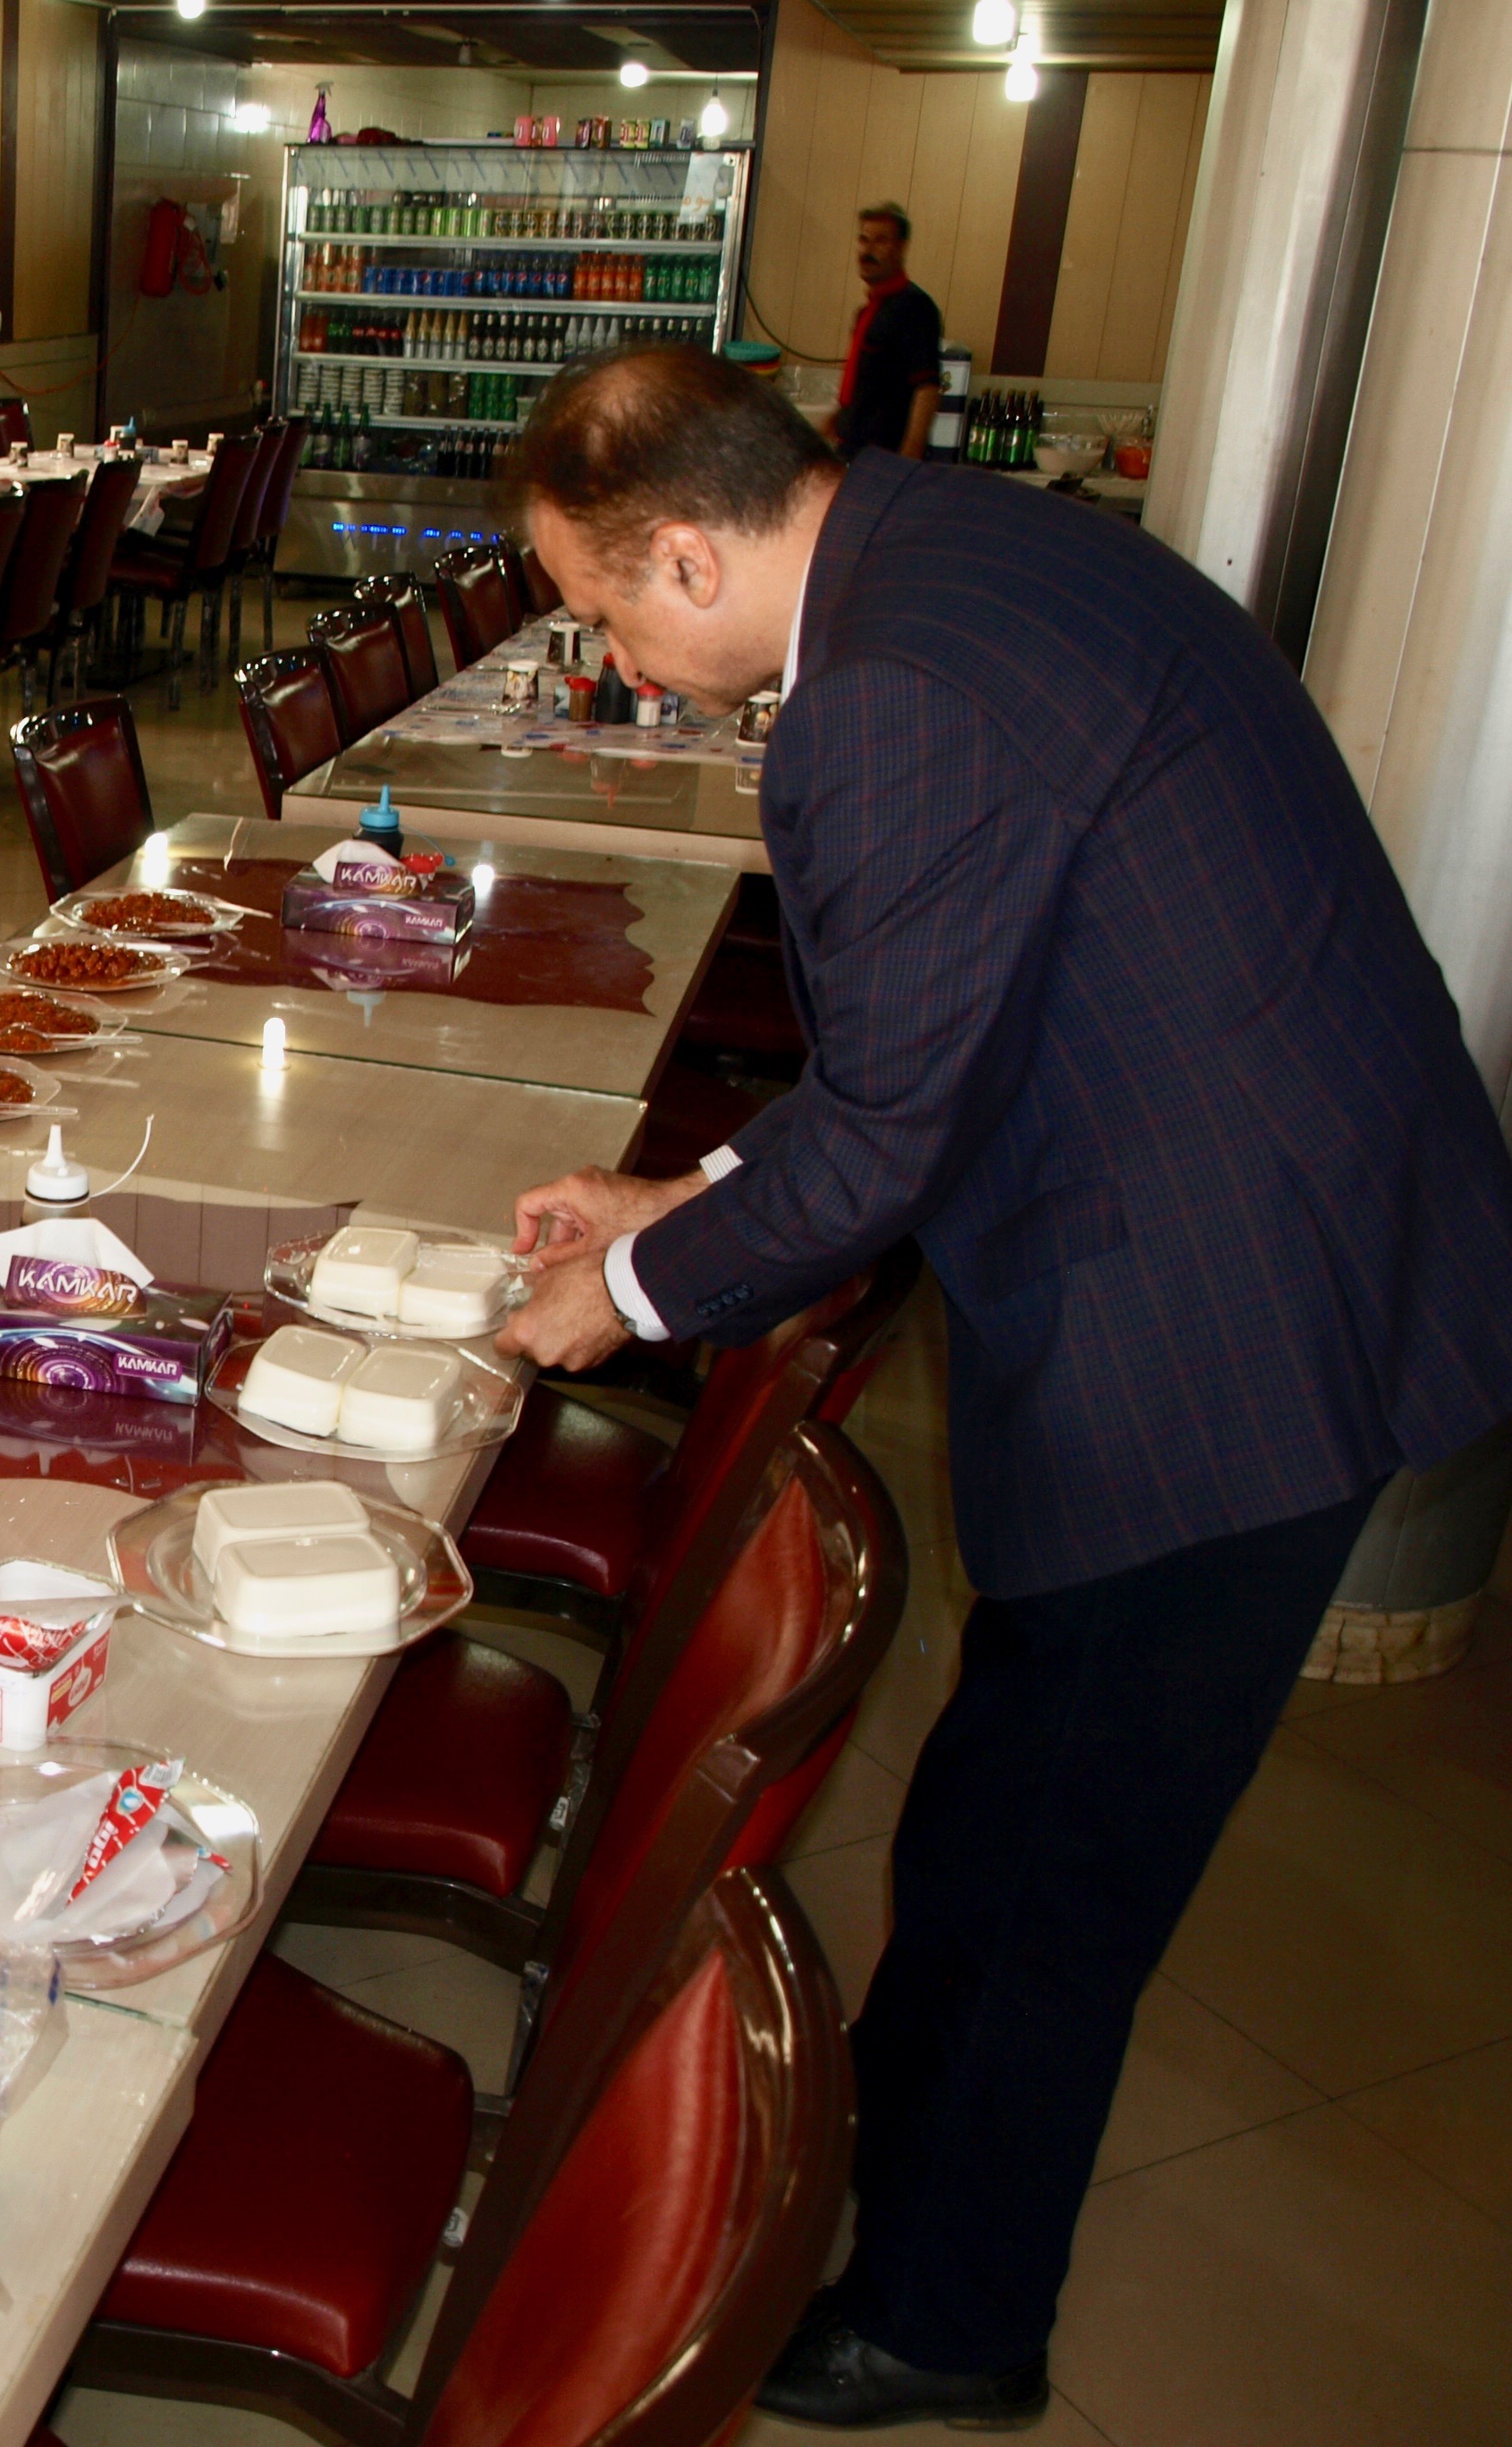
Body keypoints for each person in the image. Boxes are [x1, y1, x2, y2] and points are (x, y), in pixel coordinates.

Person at [489, 346, 1512, 2428]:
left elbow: (884, 1142)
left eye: (605, 609)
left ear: (692, 546)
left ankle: (950, 2314)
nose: (614, 652)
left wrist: (634, 1285)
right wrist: (673, 1181)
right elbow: (925, 1049)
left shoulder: (887, 700)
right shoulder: (945, 548)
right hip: (1256, 1222)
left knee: (1051, 1861)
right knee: (999, 1815)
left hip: (1230, 1323)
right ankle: (917, 2192)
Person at [826, 203, 942, 461]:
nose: (868, 251)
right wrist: (836, 421)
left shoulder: (914, 307)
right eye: (864, 240)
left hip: (884, 459)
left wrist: (907, 459)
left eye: (881, 241)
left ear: (901, 248)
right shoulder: (868, 312)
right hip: (852, 453)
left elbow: (927, 389)